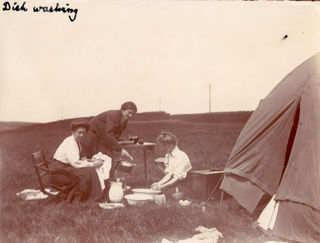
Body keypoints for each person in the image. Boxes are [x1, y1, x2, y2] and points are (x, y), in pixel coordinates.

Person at [51, 119, 109, 203]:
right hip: (59, 173)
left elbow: (77, 159)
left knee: (88, 170)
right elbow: (75, 164)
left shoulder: (76, 142)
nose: (82, 135)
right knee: (87, 172)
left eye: (84, 133)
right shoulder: (70, 142)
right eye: (79, 132)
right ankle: (87, 197)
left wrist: (89, 162)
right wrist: (92, 164)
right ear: (73, 132)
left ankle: (92, 195)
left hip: (65, 169)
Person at [82, 101, 137, 178]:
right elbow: (109, 135)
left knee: (107, 158)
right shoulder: (114, 115)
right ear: (123, 109)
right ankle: (97, 182)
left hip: (102, 136)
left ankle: (107, 181)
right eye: (129, 112)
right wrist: (120, 149)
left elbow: (114, 136)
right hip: (92, 135)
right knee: (96, 159)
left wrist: (117, 146)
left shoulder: (125, 121)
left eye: (133, 114)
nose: (131, 115)